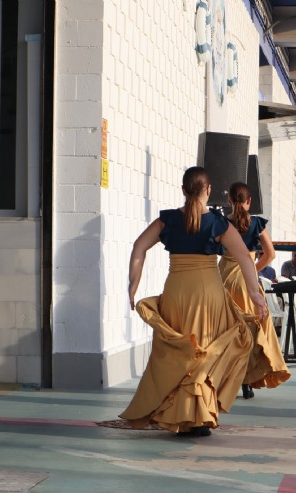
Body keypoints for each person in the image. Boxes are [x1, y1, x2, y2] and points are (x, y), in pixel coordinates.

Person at [122, 167, 265, 437]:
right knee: (207, 351)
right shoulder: (218, 223)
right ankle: (197, 417)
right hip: (208, 291)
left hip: (176, 290)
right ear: (208, 191)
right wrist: (255, 295)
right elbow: (245, 258)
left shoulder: (168, 220)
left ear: (184, 190)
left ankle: (181, 416)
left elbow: (139, 247)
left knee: (180, 351)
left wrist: (133, 285)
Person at [221, 182, 291, 399]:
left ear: (229, 201)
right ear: (249, 201)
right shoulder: (257, 223)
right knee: (252, 329)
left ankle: (223, 380)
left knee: (226, 330)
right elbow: (270, 254)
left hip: (223, 277)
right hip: (247, 281)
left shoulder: (222, 223)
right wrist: (251, 268)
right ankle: (247, 381)